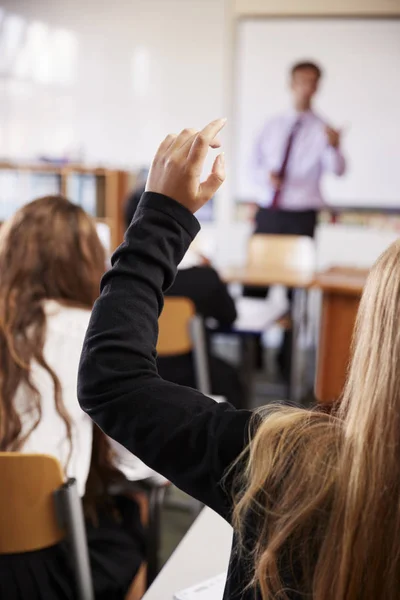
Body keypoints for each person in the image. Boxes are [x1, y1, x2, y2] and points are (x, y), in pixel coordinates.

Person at [78, 118, 400, 599]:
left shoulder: (286, 459)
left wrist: (162, 217)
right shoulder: (206, 282)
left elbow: (113, 381)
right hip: (201, 371)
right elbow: (227, 315)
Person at [0, 196, 146, 600]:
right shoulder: (96, 333)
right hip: (47, 564)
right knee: (132, 513)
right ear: (88, 260)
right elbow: (137, 459)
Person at [125, 186, 244, 408]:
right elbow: (229, 316)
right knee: (232, 379)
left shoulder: (119, 279)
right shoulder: (203, 278)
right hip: (193, 374)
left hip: (134, 376)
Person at [252, 60, 346, 236]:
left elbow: (338, 170)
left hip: (302, 213)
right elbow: (252, 166)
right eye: (302, 81)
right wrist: (268, 176)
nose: (306, 87)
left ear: (317, 87)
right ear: (291, 84)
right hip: (268, 209)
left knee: (300, 261)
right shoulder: (271, 125)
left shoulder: (324, 129)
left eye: (312, 82)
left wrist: (335, 148)